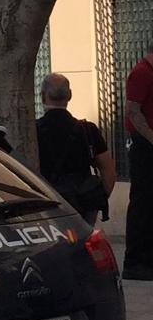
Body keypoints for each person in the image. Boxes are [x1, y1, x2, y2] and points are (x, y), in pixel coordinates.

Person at [36, 73, 116, 226]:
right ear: (70, 95)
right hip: (84, 202)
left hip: (50, 202)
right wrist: (99, 197)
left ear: (42, 96)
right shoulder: (88, 130)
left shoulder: (33, 131)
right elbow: (108, 170)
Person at [124, 43, 153, 281]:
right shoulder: (142, 72)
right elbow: (133, 111)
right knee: (142, 202)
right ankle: (134, 261)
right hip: (145, 145)